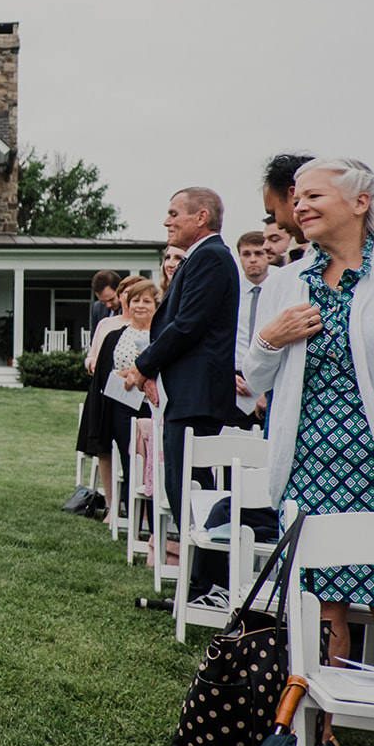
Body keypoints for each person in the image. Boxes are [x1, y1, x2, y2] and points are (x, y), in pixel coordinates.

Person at [243, 158, 374, 715]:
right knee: (320, 603)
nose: (298, 205)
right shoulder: (286, 281)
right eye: (296, 197)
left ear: (359, 203)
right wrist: (270, 338)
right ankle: (322, 738)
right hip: (308, 462)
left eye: (313, 196)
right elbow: (254, 379)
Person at [123, 188, 241, 595]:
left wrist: (143, 366)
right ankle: (199, 582)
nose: (167, 221)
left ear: (201, 217)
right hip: (187, 392)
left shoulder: (210, 257)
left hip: (196, 395)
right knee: (181, 489)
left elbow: (188, 325)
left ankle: (210, 586)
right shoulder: (205, 257)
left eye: (174, 213)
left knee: (192, 491)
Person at [76, 275, 148, 508]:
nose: (123, 300)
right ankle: (111, 504)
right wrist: (91, 363)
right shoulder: (106, 323)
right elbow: (92, 353)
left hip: (138, 394)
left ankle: (138, 505)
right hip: (106, 389)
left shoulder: (149, 326)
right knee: (103, 445)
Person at [233, 230, 270, 426]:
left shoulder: (278, 288)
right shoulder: (230, 291)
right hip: (235, 377)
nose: (252, 260)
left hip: (269, 372)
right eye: (246, 254)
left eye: (258, 253)